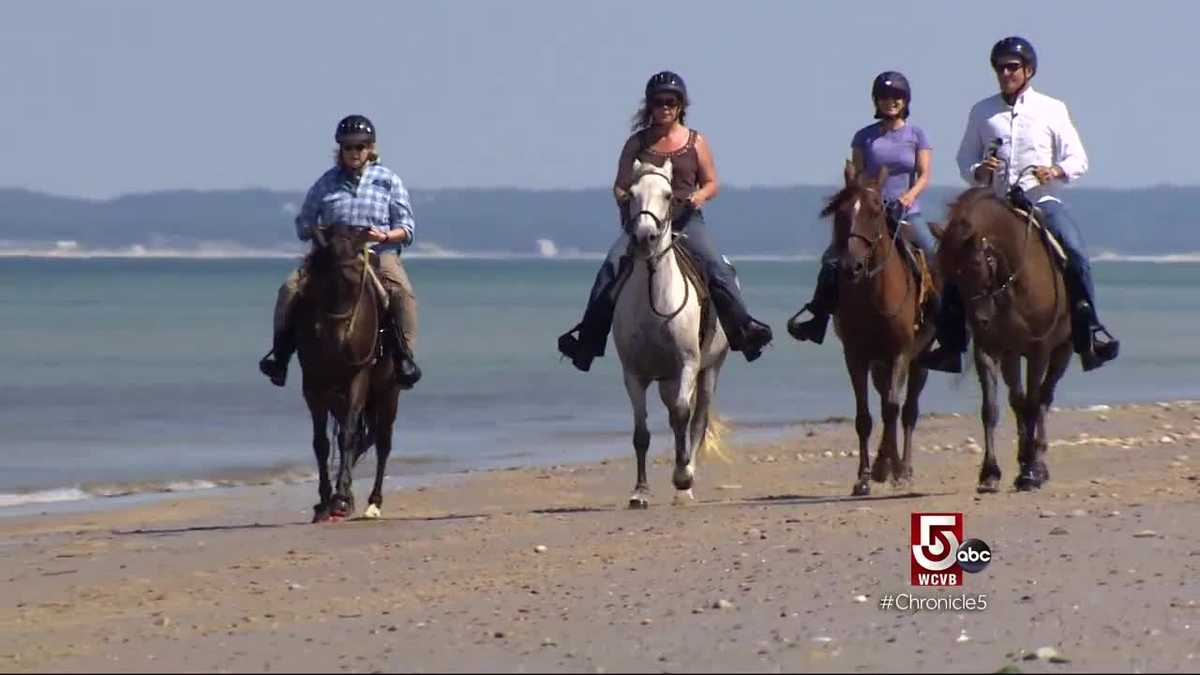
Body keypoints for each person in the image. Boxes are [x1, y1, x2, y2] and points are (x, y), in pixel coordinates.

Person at [925, 36, 1119, 371]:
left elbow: (1078, 158)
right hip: (995, 204)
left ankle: (1089, 331)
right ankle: (951, 342)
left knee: (1074, 252)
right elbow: (964, 159)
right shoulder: (982, 112)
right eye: (1000, 67)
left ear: (1028, 70)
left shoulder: (1052, 108)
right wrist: (979, 170)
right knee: (955, 255)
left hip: (1040, 200)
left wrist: (1055, 170)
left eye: (1012, 67)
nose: (1005, 73)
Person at [557, 71, 773, 371]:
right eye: (659, 102)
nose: (665, 108)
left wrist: (700, 196)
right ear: (650, 106)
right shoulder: (636, 143)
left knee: (716, 266)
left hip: (686, 221)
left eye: (671, 101)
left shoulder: (696, 142)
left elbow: (712, 182)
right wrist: (626, 199)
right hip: (643, 224)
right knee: (608, 269)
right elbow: (620, 183)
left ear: (681, 105)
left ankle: (744, 330)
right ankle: (588, 342)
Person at [789, 71, 954, 363]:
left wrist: (909, 196)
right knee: (832, 259)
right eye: (884, 97)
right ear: (876, 101)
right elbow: (857, 177)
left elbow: (924, 174)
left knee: (934, 258)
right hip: (870, 211)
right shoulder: (864, 136)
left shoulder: (917, 135)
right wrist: (862, 200)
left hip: (906, 211)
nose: (890, 102)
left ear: (905, 101)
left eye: (896, 97)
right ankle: (818, 317)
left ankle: (948, 336)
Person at [258, 114, 423, 388]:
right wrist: (317, 232)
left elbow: (406, 228)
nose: (354, 152)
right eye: (348, 147)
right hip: (332, 255)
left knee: (402, 293)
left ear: (370, 148)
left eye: (360, 146)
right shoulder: (326, 182)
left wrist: (382, 235)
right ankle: (281, 355)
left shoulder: (388, 181)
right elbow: (304, 222)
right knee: (290, 289)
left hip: (376, 253)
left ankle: (404, 357)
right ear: (340, 150)